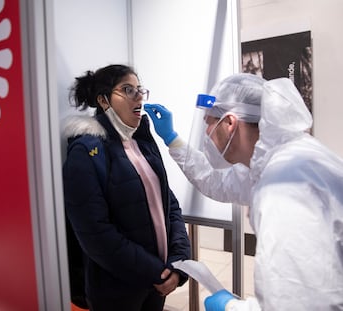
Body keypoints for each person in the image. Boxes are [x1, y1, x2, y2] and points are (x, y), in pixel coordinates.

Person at [144, 73, 343, 310]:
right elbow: (216, 181)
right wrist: (172, 139)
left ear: (229, 124)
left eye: (209, 122)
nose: (206, 132)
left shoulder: (284, 188)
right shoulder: (280, 158)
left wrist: (230, 307)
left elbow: (299, 303)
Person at [62, 64, 191, 311]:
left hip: (156, 284)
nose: (139, 96)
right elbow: (95, 233)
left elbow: (169, 205)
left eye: (140, 89)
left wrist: (178, 262)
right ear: (103, 100)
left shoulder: (143, 143)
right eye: (128, 89)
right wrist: (155, 272)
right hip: (117, 291)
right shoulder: (86, 151)